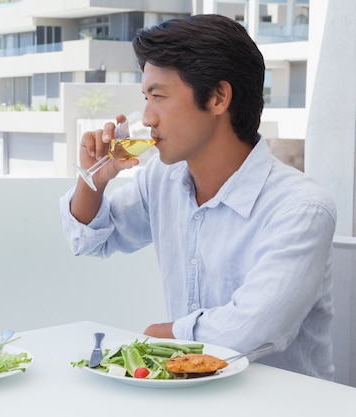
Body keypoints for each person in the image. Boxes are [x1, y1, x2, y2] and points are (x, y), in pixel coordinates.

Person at [60, 14, 337, 380]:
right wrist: (94, 177)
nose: (148, 117)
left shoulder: (301, 208)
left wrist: (161, 335)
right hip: (190, 396)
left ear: (219, 97)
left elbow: (250, 332)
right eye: (146, 97)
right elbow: (92, 240)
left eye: (158, 96)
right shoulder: (164, 178)